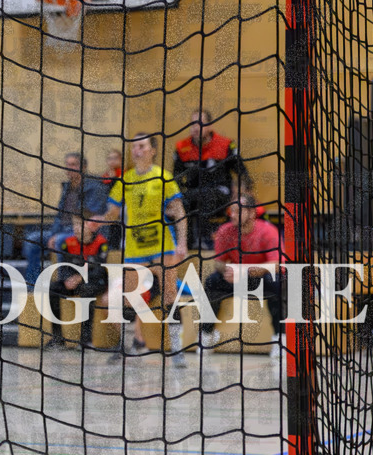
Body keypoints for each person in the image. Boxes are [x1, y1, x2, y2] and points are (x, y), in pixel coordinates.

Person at [100, 132, 188, 366]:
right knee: (129, 299)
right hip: (134, 248)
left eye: (141, 146)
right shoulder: (125, 180)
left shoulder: (163, 177)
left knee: (169, 296)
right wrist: (97, 220)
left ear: (152, 150)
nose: (136, 150)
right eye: (133, 147)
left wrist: (182, 242)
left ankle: (177, 350)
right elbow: (112, 212)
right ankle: (128, 346)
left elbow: (179, 212)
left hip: (162, 246)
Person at [198, 193, 282, 356]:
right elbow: (218, 263)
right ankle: (206, 334)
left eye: (238, 211)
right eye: (232, 211)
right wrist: (228, 270)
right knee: (211, 282)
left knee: (279, 283)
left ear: (252, 213)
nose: (233, 215)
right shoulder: (225, 230)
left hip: (261, 279)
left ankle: (280, 338)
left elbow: (276, 265)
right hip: (237, 280)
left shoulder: (268, 231)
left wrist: (243, 271)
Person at [22, 152, 110, 287]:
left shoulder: (95, 187)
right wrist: (53, 234)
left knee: (60, 241)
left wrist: (57, 235)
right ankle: (32, 285)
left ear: (83, 167)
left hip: (82, 232)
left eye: (73, 165)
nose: (69, 168)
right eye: (67, 165)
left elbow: (89, 215)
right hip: (61, 230)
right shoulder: (66, 187)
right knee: (32, 240)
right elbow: (60, 215)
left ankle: (62, 284)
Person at [173, 109, 251, 249]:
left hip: (220, 191)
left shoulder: (226, 145)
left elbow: (243, 174)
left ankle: (206, 240)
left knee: (206, 196)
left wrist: (239, 195)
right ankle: (187, 243)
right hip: (194, 192)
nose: (196, 127)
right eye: (193, 124)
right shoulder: (181, 148)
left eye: (200, 123)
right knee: (182, 201)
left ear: (210, 125)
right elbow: (176, 178)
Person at [47, 211, 109, 349]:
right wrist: (67, 279)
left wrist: (80, 277)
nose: (76, 228)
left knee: (87, 292)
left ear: (91, 226)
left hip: (95, 282)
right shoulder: (68, 243)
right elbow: (64, 266)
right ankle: (57, 338)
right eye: (74, 224)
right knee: (53, 289)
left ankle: (86, 340)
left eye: (80, 224)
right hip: (74, 282)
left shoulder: (101, 243)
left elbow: (99, 270)